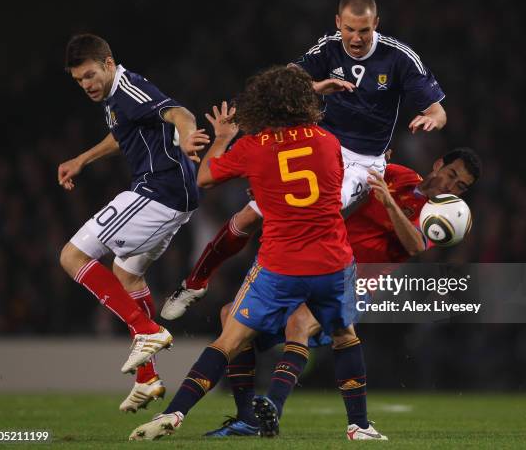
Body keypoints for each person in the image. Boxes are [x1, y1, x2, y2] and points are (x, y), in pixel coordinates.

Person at [129, 66, 386, 441]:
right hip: (332, 262)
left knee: (229, 339)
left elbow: (204, 178)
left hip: (280, 264)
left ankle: (173, 413)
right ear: (305, 101)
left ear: (261, 105)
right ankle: (359, 426)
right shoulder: (328, 141)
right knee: (344, 336)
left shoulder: (253, 147)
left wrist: (222, 137)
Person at [162, 0, 447, 319]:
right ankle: (196, 282)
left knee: (306, 217)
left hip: (363, 163)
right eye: (350, 29)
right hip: (318, 144)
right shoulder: (327, 48)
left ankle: (277, 307)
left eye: (364, 30)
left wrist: (431, 117)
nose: (356, 38)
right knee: (248, 216)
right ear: (338, 22)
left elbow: (438, 110)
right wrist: (317, 86)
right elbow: (285, 83)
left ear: (376, 24)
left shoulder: (398, 57)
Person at [203, 148, 481, 438]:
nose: (450, 187)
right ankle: (247, 418)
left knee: (300, 321)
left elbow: (415, 246)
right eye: (451, 175)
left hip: (358, 283)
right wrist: (278, 191)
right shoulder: (399, 175)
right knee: (230, 315)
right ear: (438, 164)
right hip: (321, 265)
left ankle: (273, 404)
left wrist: (388, 203)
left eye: (461, 186)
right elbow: (340, 178)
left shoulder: (442, 216)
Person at [57, 34, 208, 413]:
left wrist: (188, 138)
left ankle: (148, 331)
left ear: (108, 63)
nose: (86, 84)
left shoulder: (128, 88)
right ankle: (148, 379)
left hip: (159, 191)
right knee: (127, 278)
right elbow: (122, 133)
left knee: (72, 256)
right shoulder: (115, 99)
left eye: (90, 75)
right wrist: (83, 159)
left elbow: (179, 113)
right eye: (78, 81)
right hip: (171, 195)